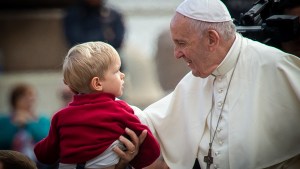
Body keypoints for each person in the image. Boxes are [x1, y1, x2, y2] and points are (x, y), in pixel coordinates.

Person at [116, 0, 300, 168]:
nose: (176, 54)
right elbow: (150, 121)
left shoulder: (276, 66)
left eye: (181, 43)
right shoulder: (198, 77)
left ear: (212, 39)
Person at [34, 41, 160, 169]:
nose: (122, 75)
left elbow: (44, 154)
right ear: (97, 84)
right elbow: (150, 148)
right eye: (116, 71)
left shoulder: (60, 117)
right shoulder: (120, 110)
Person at [63, 0, 126, 71]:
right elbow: (76, 42)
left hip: (109, 61)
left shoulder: (114, 14)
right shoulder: (74, 14)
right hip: (83, 62)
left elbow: (118, 41)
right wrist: (104, 39)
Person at [0, 83, 50, 161]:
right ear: (15, 100)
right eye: (24, 96)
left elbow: (45, 142)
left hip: (38, 163)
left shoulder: (43, 120)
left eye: (32, 95)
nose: (30, 99)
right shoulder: (3, 120)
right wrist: (16, 125)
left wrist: (29, 123)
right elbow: (3, 143)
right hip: (10, 162)